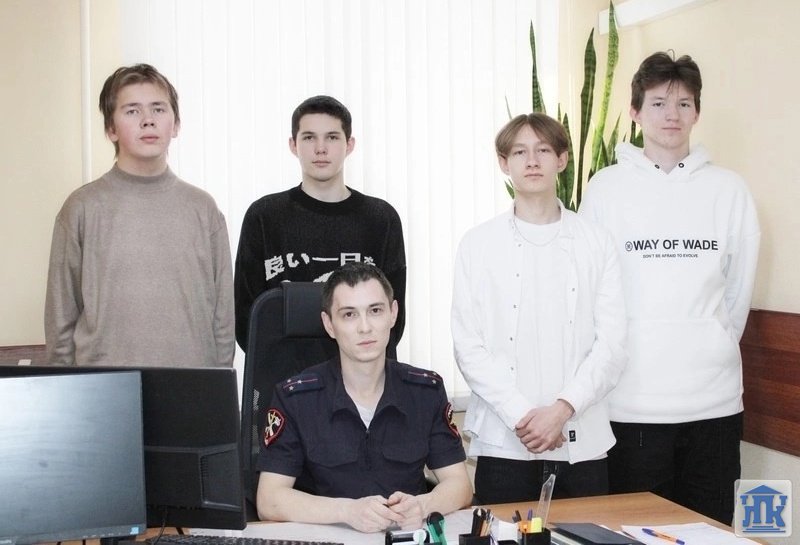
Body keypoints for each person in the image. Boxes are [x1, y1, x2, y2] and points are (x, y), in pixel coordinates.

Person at [579, 52, 760, 524]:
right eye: (658, 103)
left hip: (714, 404)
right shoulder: (605, 189)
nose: (671, 115)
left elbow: (738, 292)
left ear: (697, 111)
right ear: (636, 111)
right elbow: (591, 291)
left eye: (683, 104)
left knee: (711, 528)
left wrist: (711, 339)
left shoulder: (729, 190)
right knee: (634, 530)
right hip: (631, 405)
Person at [451, 113, 627, 504]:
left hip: (581, 440)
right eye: (520, 152)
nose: (532, 161)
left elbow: (612, 346)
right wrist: (523, 416)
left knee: (584, 532)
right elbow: (468, 346)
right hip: (504, 441)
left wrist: (562, 410)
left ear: (562, 160)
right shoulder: (477, 244)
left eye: (543, 150)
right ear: (504, 163)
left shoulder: (596, 241)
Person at [255, 263, 471, 532]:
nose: (365, 327)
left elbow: (460, 485)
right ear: (329, 325)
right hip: (328, 536)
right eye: (349, 315)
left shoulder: (425, 392)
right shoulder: (296, 398)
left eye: (375, 311)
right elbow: (269, 500)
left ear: (393, 314)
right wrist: (348, 511)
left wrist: (423, 505)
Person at [44, 64, 235, 367]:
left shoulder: (203, 208)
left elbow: (223, 317)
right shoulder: (82, 208)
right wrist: (66, 387)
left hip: (191, 382)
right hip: (105, 385)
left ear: (175, 124)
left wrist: (218, 379)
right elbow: (61, 319)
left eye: (158, 109)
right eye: (132, 111)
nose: (148, 120)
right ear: (111, 129)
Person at [234, 95, 406, 352]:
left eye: (332, 137)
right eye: (309, 137)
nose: (321, 148)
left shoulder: (381, 219)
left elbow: (393, 319)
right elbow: (248, 320)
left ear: (349, 144)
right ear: (293, 145)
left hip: (362, 371)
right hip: (284, 371)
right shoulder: (264, 216)